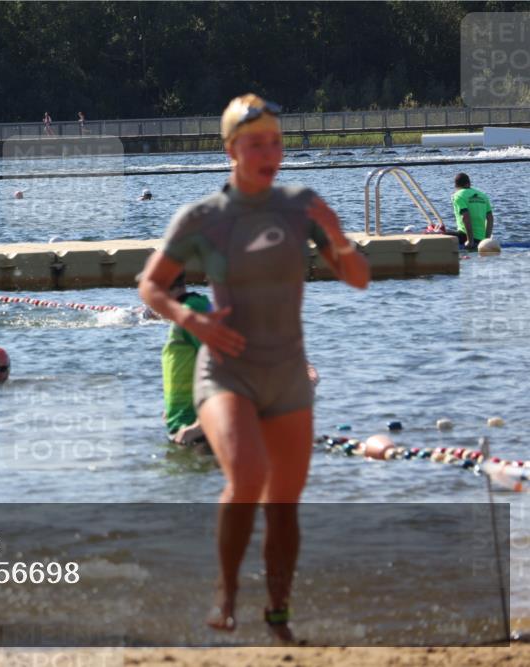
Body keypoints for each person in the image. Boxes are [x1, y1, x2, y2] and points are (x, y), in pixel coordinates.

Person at [138, 94, 369, 641]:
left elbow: (358, 278)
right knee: (246, 479)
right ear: (230, 151)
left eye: (275, 142)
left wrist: (335, 233)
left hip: (287, 372)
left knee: (284, 504)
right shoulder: (203, 217)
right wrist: (191, 322)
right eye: (255, 143)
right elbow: (150, 286)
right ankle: (226, 591)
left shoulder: (300, 206)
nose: (269, 153)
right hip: (226, 372)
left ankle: (280, 614)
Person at [161, 272, 212, 447]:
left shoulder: (190, 312)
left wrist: (201, 426)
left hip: (198, 433)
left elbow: (223, 364)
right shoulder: (187, 310)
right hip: (186, 427)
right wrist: (171, 407)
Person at [449, 172, 494, 250]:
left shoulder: (457, 195)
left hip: (465, 237)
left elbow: (466, 217)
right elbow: (490, 218)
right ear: (469, 183)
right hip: (481, 238)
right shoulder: (483, 196)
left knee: (432, 235)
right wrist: (486, 240)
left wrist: (470, 241)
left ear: (455, 185)